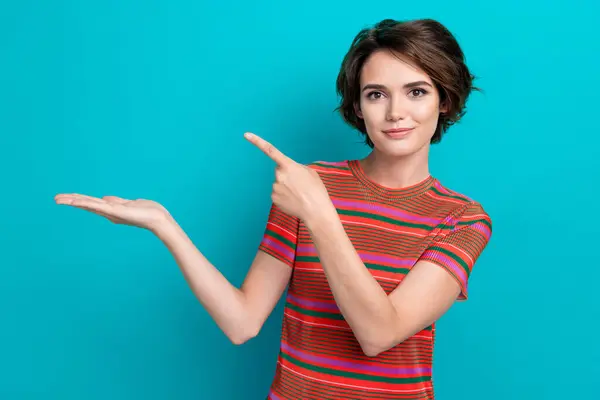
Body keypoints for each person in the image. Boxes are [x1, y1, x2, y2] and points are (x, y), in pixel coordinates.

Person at [55, 17, 492, 400]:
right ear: (358, 106)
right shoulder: (307, 185)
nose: (396, 112)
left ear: (445, 99)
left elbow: (378, 334)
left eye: (416, 91)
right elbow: (242, 322)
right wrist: (165, 226)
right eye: (376, 94)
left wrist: (319, 213)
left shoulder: (462, 219)